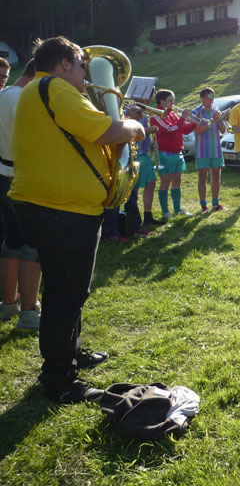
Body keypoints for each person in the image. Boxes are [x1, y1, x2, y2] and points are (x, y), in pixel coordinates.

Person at [10, 36, 145, 404]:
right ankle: (59, 378)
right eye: (83, 65)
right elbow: (108, 131)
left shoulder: (41, 90)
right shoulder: (56, 87)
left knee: (68, 289)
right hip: (61, 209)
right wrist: (134, 125)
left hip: (59, 207)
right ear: (64, 64)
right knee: (65, 292)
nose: (87, 73)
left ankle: (72, 354)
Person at [0, 59, 42, 331]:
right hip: (24, 178)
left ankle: (7, 304)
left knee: (11, 243)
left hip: (3, 175)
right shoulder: (24, 99)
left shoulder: (3, 95)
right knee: (32, 248)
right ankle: (28, 313)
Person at [151, 89, 195, 219]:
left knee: (177, 181)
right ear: (162, 101)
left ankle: (177, 209)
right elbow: (170, 130)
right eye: (170, 99)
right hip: (165, 153)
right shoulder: (156, 115)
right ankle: (165, 212)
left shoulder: (173, 114)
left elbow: (183, 130)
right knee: (165, 182)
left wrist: (194, 122)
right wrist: (182, 118)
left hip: (177, 152)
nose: (173, 102)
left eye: (173, 99)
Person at [191, 88, 226, 212]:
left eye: (212, 97)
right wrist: (212, 121)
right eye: (208, 97)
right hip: (202, 150)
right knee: (202, 178)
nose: (211, 100)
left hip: (216, 149)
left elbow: (223, 130)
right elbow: (199, 131)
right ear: (202, 98)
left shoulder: (216, 111)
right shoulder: (196, 112)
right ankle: (203, 205)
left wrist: (220, 120)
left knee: (216, 176)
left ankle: (216, 203)